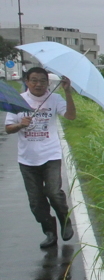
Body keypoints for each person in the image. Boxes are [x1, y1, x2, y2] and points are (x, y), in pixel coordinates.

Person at [4, 67, 77, 248]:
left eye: (43, 81)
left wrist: (68, 92)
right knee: (36, 201)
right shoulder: (18, 101)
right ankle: (50, 231)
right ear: (27, 82)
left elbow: (71, 116)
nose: (38, 84)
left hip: (50, 155)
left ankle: (64, 220)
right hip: (27, 159)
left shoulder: (54, 99)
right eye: (34, 80)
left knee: (54, 193)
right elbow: (8, 128)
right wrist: (20, 125)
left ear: (48, 83)